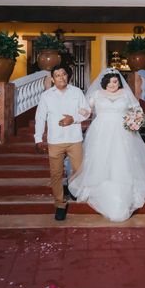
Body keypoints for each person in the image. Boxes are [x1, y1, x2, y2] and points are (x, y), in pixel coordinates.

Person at [68, 68, 145, 222]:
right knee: (100, 158)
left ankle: (123, 190)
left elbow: (137, 110)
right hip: (100, 131)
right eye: (109, 82)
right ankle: (99, 186)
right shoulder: (97, 94)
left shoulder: (125, 94)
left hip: (122, 133)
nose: (112, 84)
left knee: (121, 160)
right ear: (104, 82)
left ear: (119, 81)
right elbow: (87, 111)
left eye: (115, 81)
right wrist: (80, 111)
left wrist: (135, 121)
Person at [34, 64, 90, 221]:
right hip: (55, 141)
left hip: (74, 139)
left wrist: (74, 118)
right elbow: (40, 118)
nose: (61, 77)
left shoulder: (77, 92)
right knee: (56, 174)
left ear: (68, 76)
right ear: (52, 79)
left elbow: (86, 111)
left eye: (63, 74)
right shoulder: (46, 96)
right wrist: (38, 139)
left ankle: (73, 188)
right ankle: (60, 204)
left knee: (79, 170)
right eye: (57, 75)